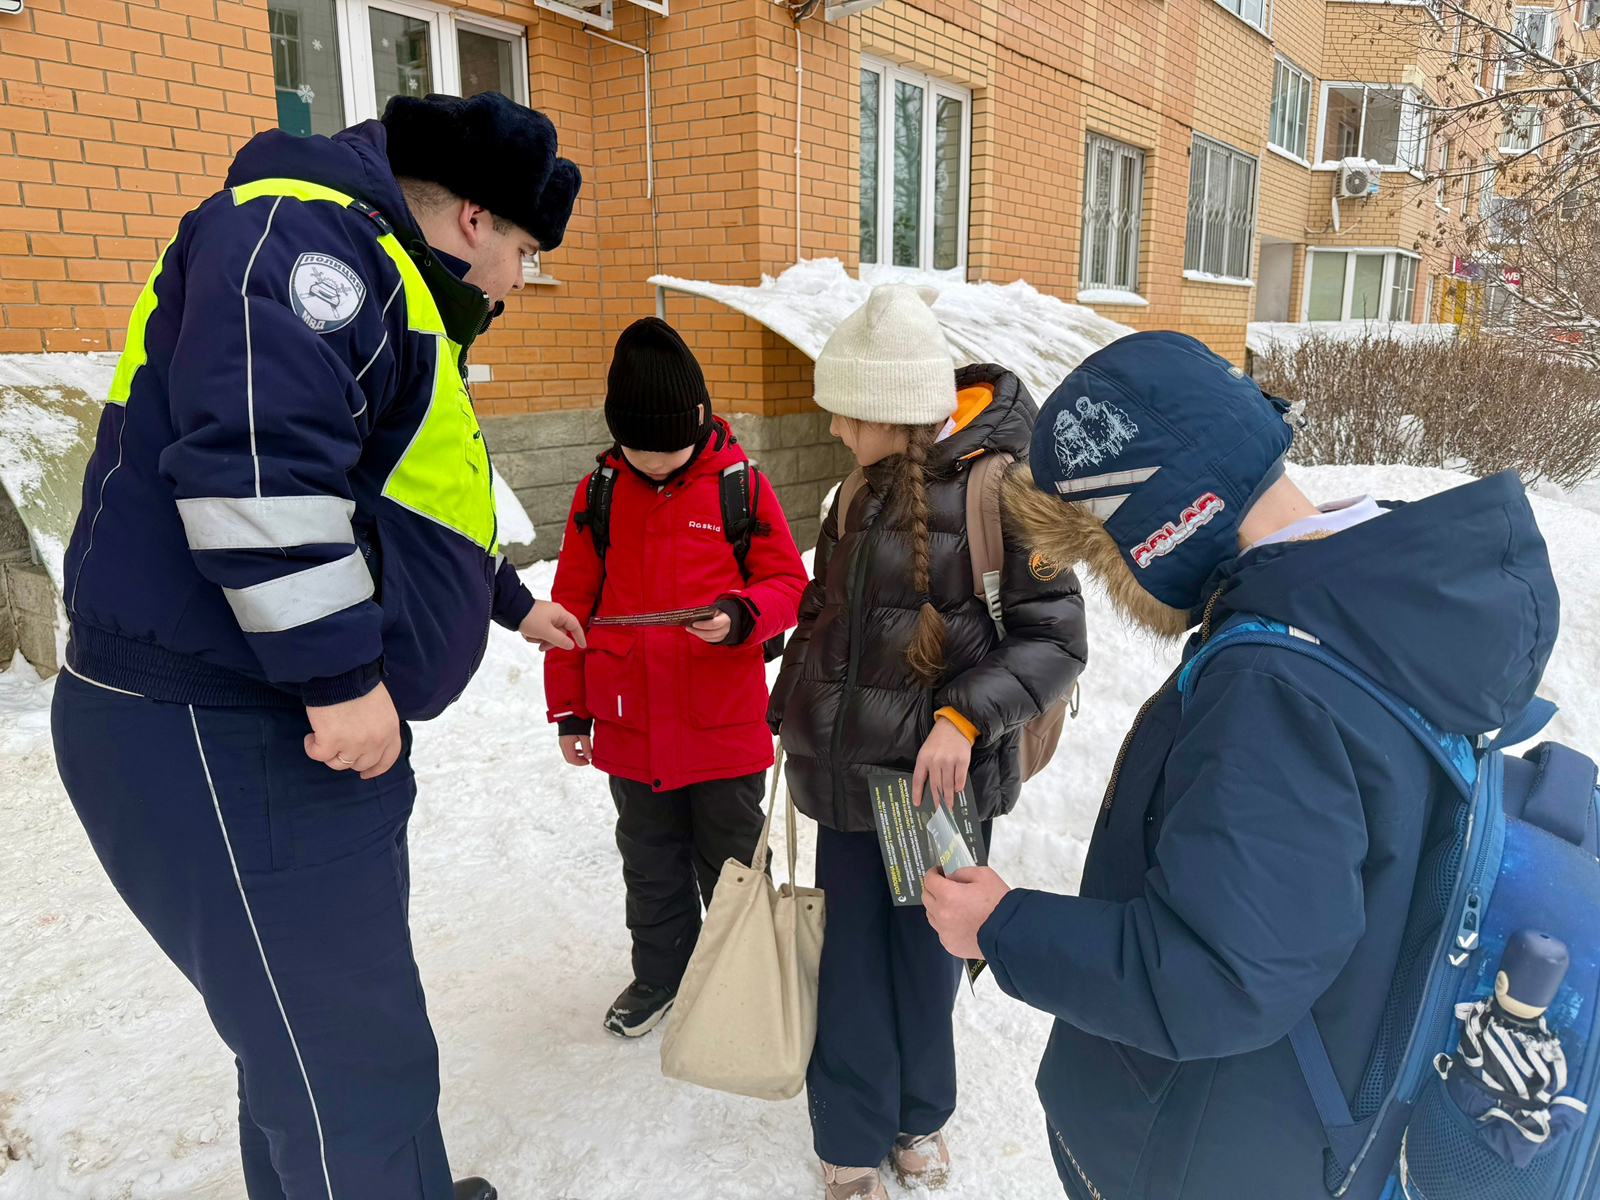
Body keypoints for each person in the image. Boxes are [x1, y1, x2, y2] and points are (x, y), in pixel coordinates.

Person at [51, 91, 584, 1200]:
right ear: (477, 218)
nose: (522, 282)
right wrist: (341, 679)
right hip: (223, 721)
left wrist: (502, 599)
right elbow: (258, 467)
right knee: (346, 1066)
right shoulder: (305, 242)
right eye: (528, 252)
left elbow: (382, 482)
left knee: (318, 1047)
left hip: (274, 719)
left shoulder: (379, 272)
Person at [922, 330, 1561, 1200]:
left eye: (1105, 548)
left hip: (1207, 1151)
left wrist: (1002, 927)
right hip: (1283, 1123)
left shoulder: (1274, 684)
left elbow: (1217, 975)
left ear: (1158, 523)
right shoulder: (1373, 606)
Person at [769, 285, 1088, 1200]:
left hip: (938, 791)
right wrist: (788, 703)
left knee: (925, 958)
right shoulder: (854, 492)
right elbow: (825, 616)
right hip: (845, 781)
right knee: (851, 964)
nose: (833, 425)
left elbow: (1057, 642)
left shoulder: (1008, 490)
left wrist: (961, 717)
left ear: (889, 409)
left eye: (846, 409)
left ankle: (917, 1119)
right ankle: (849, 1131)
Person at [545, 316, 810, 1037]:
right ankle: (661, 975)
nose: (655, 463)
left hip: (722, 726)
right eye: (639, 448)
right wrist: (571, 710)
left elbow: (788, 580)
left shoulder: (740, 488)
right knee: (650, 864)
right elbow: (570, 605)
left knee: (730, 861)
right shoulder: (597, 493)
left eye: (670, 449)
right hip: (631, 726)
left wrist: (741, 613)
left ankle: (742, 977)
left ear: (700, 423)